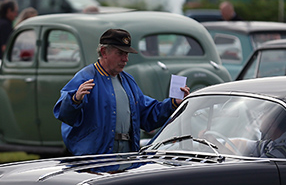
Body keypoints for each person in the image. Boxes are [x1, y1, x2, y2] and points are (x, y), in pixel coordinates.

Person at [54, 28, 190, 155]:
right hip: (94, 159)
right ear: (103, 52)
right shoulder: (86, 77)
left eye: (126, 54)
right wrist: (75, 99)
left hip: (126, 155)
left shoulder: (128, 81)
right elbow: (63, 114)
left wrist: (173, 103)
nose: (125, 59)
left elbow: (147, 114)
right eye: (120, 53)